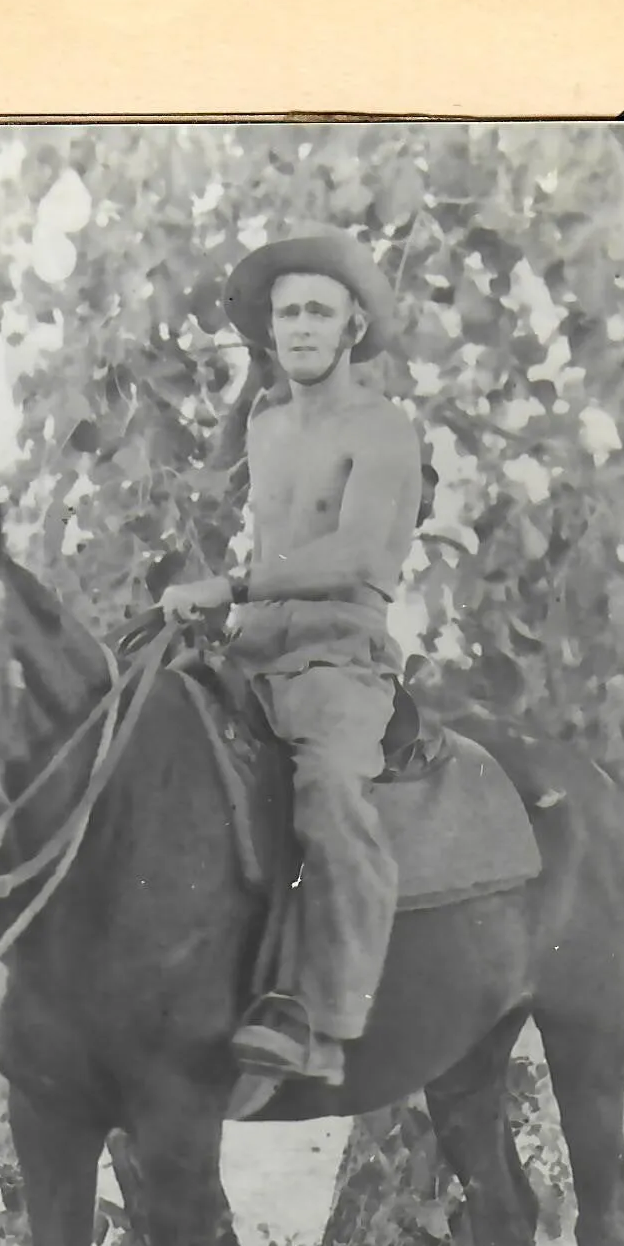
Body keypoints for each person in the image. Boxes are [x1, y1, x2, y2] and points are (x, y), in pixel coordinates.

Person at [161, 226, 423, 1086]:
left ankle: (325, 1021)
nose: (301, 327)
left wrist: (229, 586)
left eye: (319, 310)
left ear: (352, 326)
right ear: (268, 333)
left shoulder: (383, 429)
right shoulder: (266, 426)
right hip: (252, 652)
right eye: (285, 315)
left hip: (337, 658)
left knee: (327, 795)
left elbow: (357, 558)